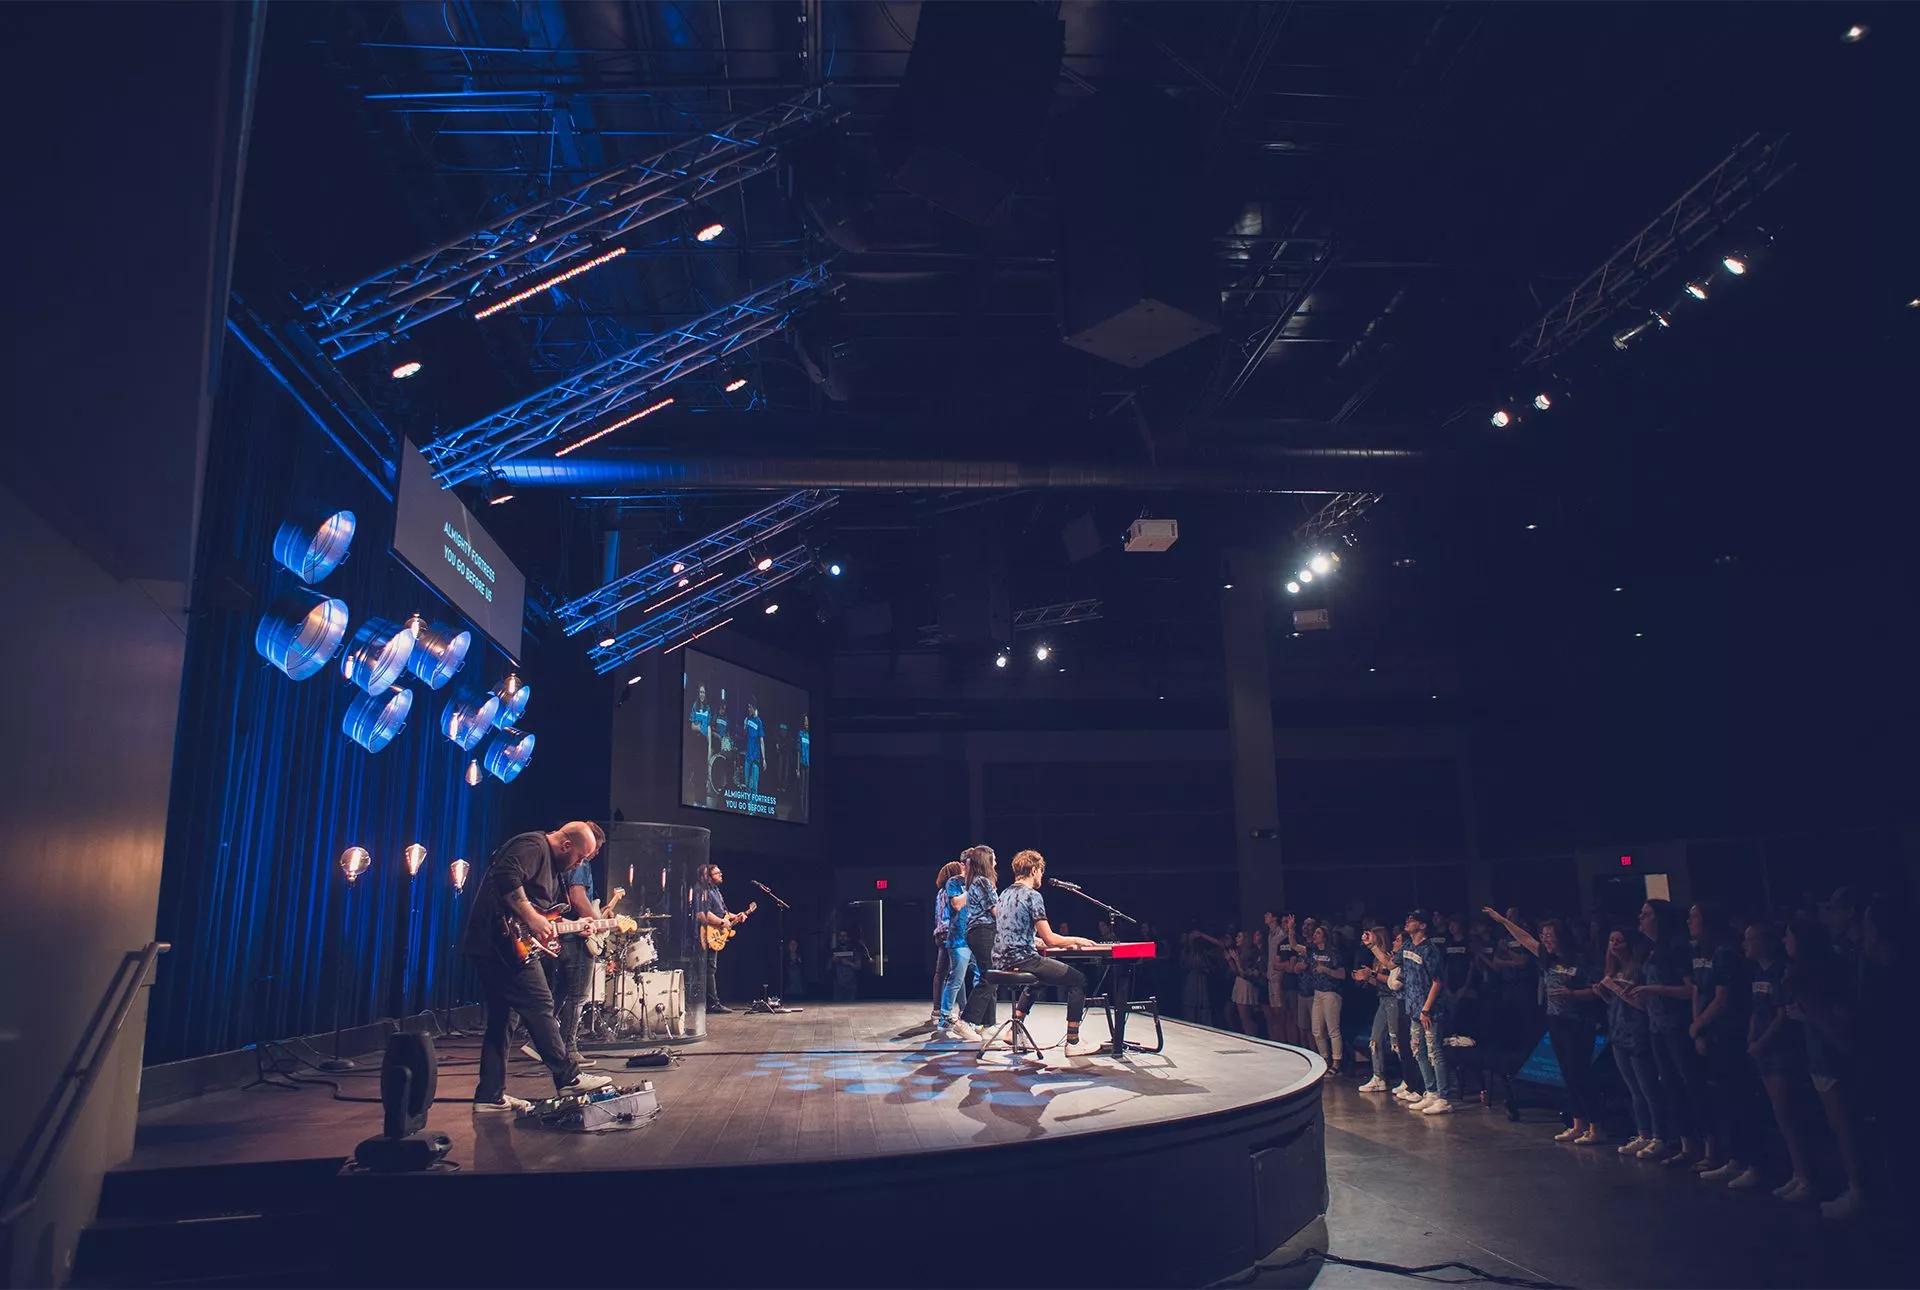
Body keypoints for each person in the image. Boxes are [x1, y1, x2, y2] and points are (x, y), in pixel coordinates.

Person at [462, 821, 614, 1112]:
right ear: (567, 845)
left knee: (503, 1020)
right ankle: (568, 1077)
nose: (579, 864)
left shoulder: (554, 869)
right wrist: (532, 918)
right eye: (580, 857)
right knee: (540, 1003)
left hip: (501, 947)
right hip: (500, 945)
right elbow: (506, 876)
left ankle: (489, 1095)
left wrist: (570, 926)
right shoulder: (533, 845)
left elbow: (546, 915)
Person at [1486, 908, 1601, 1143]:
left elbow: (1597, 990)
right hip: (1556, 1020)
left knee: (1581, 1074)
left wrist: (1573, 994)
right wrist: (1503, 921)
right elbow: (1525, 939)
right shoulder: (1547, 957)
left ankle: (1597, 1126)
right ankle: (1577, 1124)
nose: (1546, 939)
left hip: (1578, 1022)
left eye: (1550, 935)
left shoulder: (1579, 959)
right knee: (1567, 1074)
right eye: (1544, 935)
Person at [1784, 916, 1865, 1219]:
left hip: (1827, 1058)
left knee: (1843, 1127)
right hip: (1827, 1056)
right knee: (1843, 1125)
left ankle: (1858, 1189)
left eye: (1788, 936)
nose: (1784, 942)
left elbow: (1827, 1020)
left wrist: (1806, 1015)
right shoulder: (1834, 967)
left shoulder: (1804, 978)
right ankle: (1855, 1186)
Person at [990, 850, 1100, 1055]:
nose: (1041, 876)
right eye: (1040, 871)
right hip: (1023, 959)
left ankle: (1013, 1030)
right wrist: (1075, 939)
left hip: (999, 959)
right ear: (1033, 870)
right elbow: (1050, 939)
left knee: (1041, 978)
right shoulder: (1033, 896)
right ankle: (1074, 1043)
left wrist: (1039, 941)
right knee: (1078, 980)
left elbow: (1013, 931)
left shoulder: (1004, 894)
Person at [1686, 902, 1758, 1183]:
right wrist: (1698, 1029)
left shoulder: (1725, 952)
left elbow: (1722, 997)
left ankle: (1749, 1161)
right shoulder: (1702, 951)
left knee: (1737, 1098)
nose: (1689, 921)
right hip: (1710, 1033)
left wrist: (1697, 1025)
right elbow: (1698, 990)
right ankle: (1734, 1158)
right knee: (1724, 1099)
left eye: (1694, 916)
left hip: (1728, 1033)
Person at [1628, 898, 1703, 1164]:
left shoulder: (1676, 948)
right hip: (1656, 1026)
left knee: (1689, 1084)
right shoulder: (1650, 949)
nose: (1641, 918)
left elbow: (1690, 989)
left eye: (1646, 914)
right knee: (1670, 1085)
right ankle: (1686, 1144)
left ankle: (1703, 1144)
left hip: (1677, 1026)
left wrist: (1652, 990)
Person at [1743, 920, 1810, 1198]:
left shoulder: (1780, 972)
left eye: (1750, 939)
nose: (1744, 944)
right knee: (1780, 1114)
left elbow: (1782, 1014)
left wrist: (1760, 1042)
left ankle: (1805, 1174)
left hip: (1780, 1051)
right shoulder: (1758, 971)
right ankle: (1798, 1172)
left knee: (1789, 1114)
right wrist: (1751, 1039)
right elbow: (1755, 1010)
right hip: (1762, 1049)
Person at [1368, 910, 1452, 1114]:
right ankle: (1430, 1091)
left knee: (1434, 1052)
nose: (1408, 922)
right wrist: (1372, 946)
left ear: (1422, 926)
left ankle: (1443, 1096)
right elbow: (1390, 964)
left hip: (1428, 1010)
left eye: (1413, 920)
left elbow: (1437, 981)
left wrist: (1426, 1009)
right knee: (1418, 1051)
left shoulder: (1430, 950)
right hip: (1413, 1008)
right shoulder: (1406, 946)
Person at [1594, 928, 1667, 1158]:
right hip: (1617, 1031)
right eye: (1611, 940)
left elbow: (1644, 1005)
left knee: (1648, 1088)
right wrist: (1604, 993)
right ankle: (1643, 1132)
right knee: (1633, 1089)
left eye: (1619, 941)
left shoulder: (1639, 969)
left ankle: (1660, 1135)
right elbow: (1614, 1004)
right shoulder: (1613, 969)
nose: (1614, 945)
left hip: (1637, 1032)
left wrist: (1618, 990)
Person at [934, 859, 983, 1041]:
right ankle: (945, 1016)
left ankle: (972, 1016)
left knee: (980, 975)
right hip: (956, 938)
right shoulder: (953, 883)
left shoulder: (977, 883)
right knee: (954, 977)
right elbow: (955, 906)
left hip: (973, 936)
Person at [955, 846, 1002, 1034]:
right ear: (986, 861)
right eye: (994, 859)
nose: (996, 863)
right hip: (983, 931)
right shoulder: (982, 882)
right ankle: (966, 1020)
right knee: (990, 976)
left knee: (990, 975)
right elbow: (995, 910)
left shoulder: (976, 881)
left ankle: (988, 1024)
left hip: (978, 932)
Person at [1355, 926, 1406, 1094]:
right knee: (1375, 1039)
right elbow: (1378, 981)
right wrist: (1365, 976)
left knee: (1396, 1042)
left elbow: (1393, 980)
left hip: (1394, 1000)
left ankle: (1409, 1078)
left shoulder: (1391, 956)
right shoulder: (1377, 959)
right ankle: (1379, 1077)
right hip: (1383, 1000)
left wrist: (1372, 975)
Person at [694, 862, 751, 1013]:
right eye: (717, 873)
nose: (721, 875)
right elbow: (702, 914)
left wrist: (738, 915)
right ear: (708, 877)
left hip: (716, 930)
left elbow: (723, 914)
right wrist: (721, 922)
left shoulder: (716, 891)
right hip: (706, 933)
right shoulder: (702, 891)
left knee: (711, 968)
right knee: (709, 968)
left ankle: (713, 1002)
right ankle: (712, 1004)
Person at [1226, 930, 1263, 1036]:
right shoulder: (1240, 951)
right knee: (1234, 1015)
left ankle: (1252, 1038)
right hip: (1239, 983)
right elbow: (1236, 972)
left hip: (1246, 985)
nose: (1236, 938)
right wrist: (1230, 960)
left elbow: (1243, 973)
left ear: (1246, 939)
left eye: (1239, 936)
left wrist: (1236, 960)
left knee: (1246, 1018)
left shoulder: (1250, 953)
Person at [830, 928, 871, 1000]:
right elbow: (827, 968)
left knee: (851, 1006)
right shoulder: (834, 951)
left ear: (848, 938)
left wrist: (848, 963)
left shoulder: (854, 951)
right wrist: (832, 961)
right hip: (838, 984)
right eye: (840, 936)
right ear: (838, 938)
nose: (842, 938)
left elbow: (858, 967)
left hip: (851, 983)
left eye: (844, 936)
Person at [743, 701, 765, 796]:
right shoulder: (747, 720)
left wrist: (764, 759)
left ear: (754, 708)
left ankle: (753, 809)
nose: (748, 709)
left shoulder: (759, 722)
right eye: (748, 707)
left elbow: (761, 741)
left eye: (750, 707)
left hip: (756, 758)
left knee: (754, 786)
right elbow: (745, 735)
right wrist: (744, 725)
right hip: (748, 757)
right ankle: (748, 808)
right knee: (747, 783)